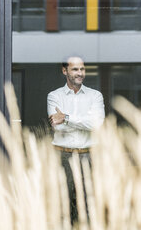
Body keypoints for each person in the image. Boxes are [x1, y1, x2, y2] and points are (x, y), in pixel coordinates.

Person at [47, 56, 105, 222]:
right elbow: (57, 126)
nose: (80, 73)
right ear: (64, 71)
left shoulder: (95, 96)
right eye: (75, 69)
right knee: (62, 205)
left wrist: (65, 117)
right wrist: (84, 120)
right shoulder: (54, 96)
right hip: (62, 156)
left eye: (82, 69)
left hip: (89, 156)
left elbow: (97, 124)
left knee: (88, 205)